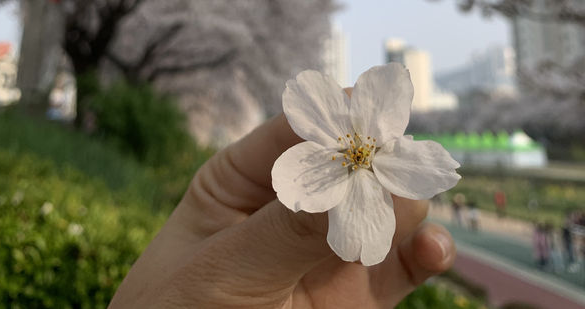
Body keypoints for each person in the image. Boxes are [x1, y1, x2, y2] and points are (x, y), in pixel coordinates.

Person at [108, 112, 457, 308]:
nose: (360, 153)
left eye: (361, 150)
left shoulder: (375, 153)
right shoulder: (340, 151)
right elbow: (293, 198)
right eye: (358, 150)